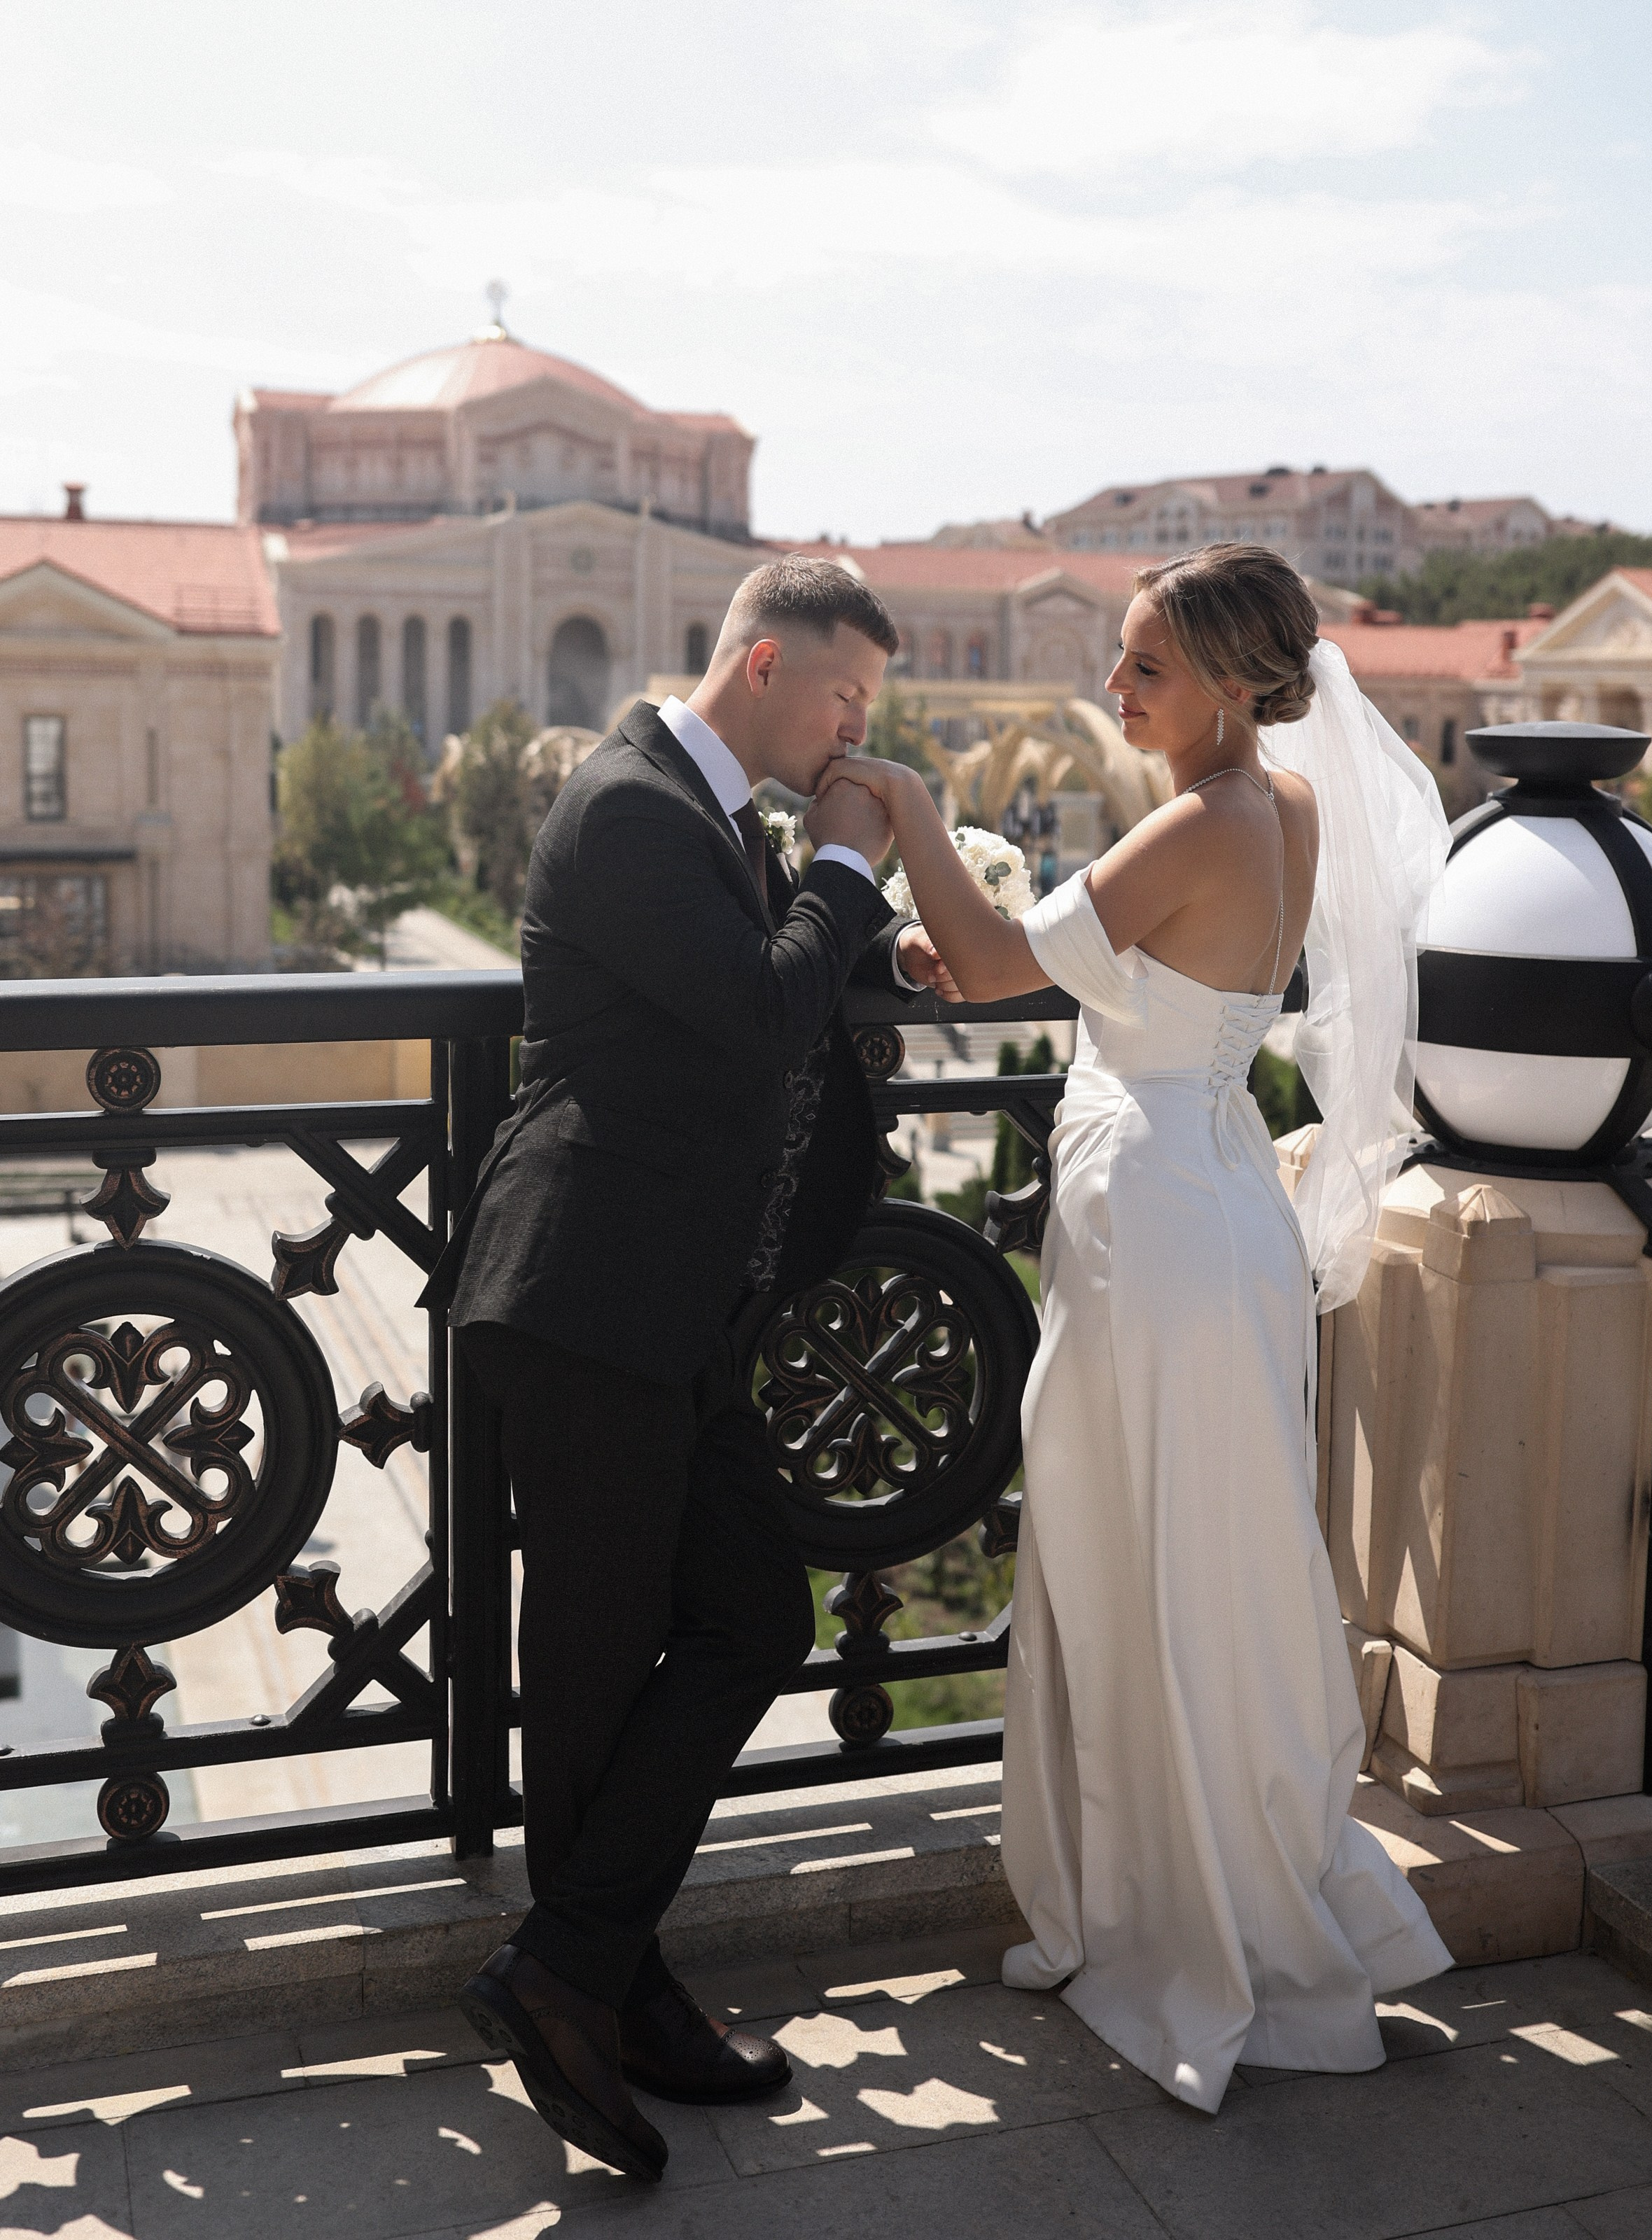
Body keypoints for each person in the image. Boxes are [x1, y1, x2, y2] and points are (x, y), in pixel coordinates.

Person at [818, 542, 1455, 2112]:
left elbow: (984, 965)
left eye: (1144, 667)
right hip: (1200, 1190)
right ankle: (1213, 1880)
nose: (1113, 691)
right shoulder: (1284, 808)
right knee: (1201, 1544)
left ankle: (1183, 1921)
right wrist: (963, 937)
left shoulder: (1206, 816)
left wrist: (900, 811)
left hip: (1163, 1216)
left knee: (1154, 1547)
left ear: (1237, 684)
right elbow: (1087, 965)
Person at [425, 556, 958, 2181]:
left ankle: (583, 1967)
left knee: (750, 1617)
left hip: (675, 1316)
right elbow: (748, 1009)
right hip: (587, 1302)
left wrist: (861, 936)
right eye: (846, 700)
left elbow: (767, 1003)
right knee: (589, 1682)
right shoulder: (633, 805)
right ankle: (597, 1990)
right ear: (765, 663)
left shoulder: (711, 817)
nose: (856, 732)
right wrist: (852, 876)